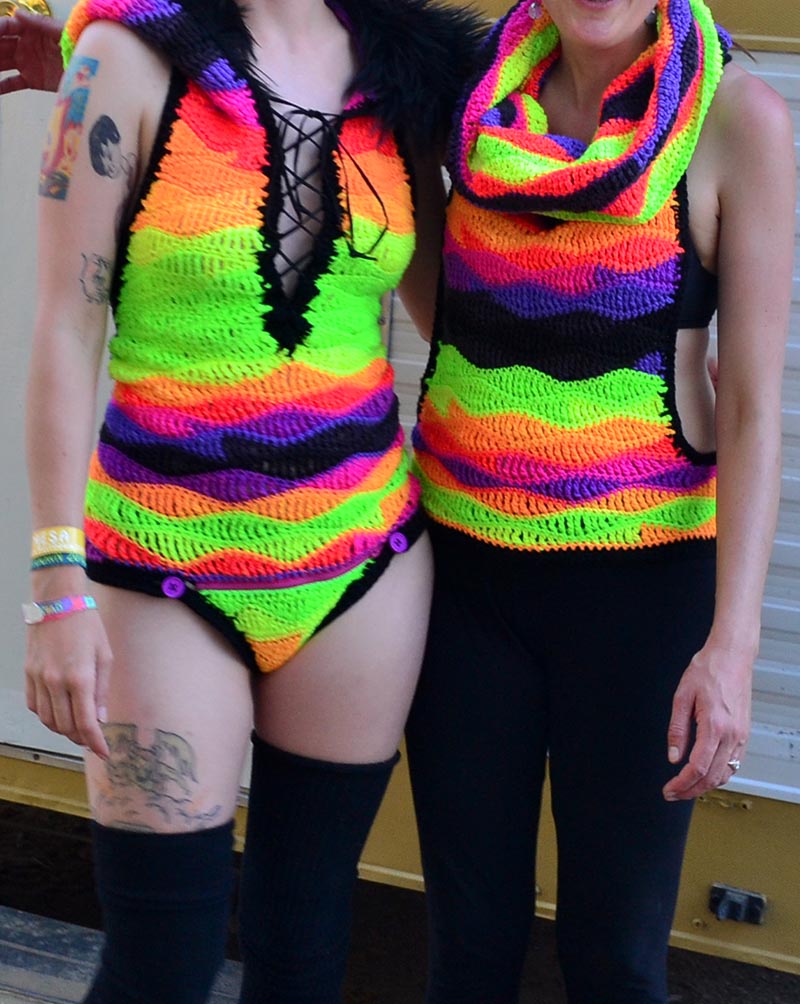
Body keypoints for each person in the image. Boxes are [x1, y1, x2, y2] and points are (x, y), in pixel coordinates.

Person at [19, 1, 482, 1003]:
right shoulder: (128, 57)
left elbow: (455, 300)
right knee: (160, 962)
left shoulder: (400, 71)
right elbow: (63, 327)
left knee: (304, 945)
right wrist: (54, 577)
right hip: (163, 565)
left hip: (362, 566)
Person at [407, 1, 795, 1002]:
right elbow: (432, 281)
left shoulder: (735, 119)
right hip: (463, 582)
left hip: (643, 598)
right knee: (468, 944)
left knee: (614, 959)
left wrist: (732, 646)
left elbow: (751, 406)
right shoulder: (464, 94)